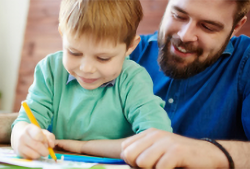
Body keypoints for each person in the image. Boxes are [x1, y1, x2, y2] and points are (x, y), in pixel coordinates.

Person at [10, 0, 172, 160]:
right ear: (62, 34)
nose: (86, 68)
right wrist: (21, 136)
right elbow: (26, 121)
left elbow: (158, 140)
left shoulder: (133, 80)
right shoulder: (51, 70)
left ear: (130, 46)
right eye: (74, 52)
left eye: (103, 58)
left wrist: (84, 147)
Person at [120, 0, 250, 168]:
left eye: (208, 27)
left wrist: (204, 151)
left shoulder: (245, 62)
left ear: (236, 26)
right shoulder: (123, 53)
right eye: (178, 15)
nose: (184, 35)